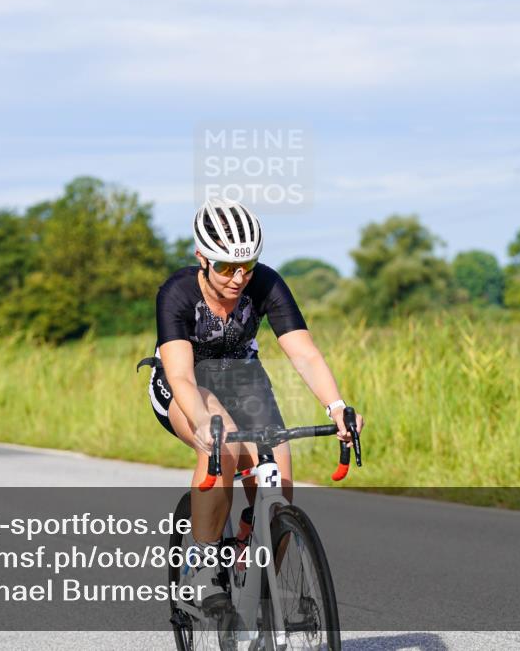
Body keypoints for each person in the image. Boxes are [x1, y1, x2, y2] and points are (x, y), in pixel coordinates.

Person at [138, 196, 364, 610]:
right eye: (225, 266)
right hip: (185, 381)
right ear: (201, 258)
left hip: (243, 379)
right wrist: (202, 421)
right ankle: (203, 564)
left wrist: (337, 407)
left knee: (278, 485)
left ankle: (256, 583)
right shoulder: (177, 292)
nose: (238, 277)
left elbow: (304, 354)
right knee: (224, 446)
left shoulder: (266, 283)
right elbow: (182, 375)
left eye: (248, 265)